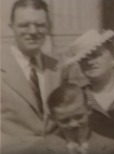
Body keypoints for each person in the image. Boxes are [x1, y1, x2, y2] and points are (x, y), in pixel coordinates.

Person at [1, 0, 63, 153]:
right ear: (12, 28)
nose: (33, 31)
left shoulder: (59, 68)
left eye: (40, 25)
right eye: (24, 25)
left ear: (48, 27)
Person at [45, 82, 114, 154]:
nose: (73, 124)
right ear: (53, 118)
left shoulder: (110, 147)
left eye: (79, 117)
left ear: (89, 109)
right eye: (65, 120)